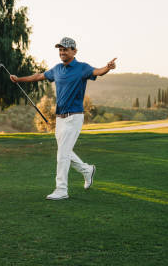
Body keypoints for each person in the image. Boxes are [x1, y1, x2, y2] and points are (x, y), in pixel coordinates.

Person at [10, 37, 117, 200]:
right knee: (65, 152)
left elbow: (98, 72)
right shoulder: (57, 69)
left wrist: (108, 67)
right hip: (59, 118)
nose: (62, 52)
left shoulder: (82, 68)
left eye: (65, 49)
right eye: (60, 49)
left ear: (74, 51)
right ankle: (87, 170)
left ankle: (61, 189)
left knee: (62, 154)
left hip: (74, 117)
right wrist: (19, 79)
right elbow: (38, 76)